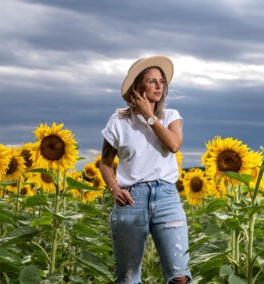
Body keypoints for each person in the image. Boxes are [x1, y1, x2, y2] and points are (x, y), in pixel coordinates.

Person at [100, 55, 192, 284]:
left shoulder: (171, 117)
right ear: (137, 86)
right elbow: (105, 162)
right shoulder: (118, 121)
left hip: (167, 198)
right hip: (131, 198)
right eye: (152, 81)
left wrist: (149, 116)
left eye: (161, 81)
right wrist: (114, 188)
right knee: (129, 278)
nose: (159, 86)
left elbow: (173, 145)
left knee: (180, 276)